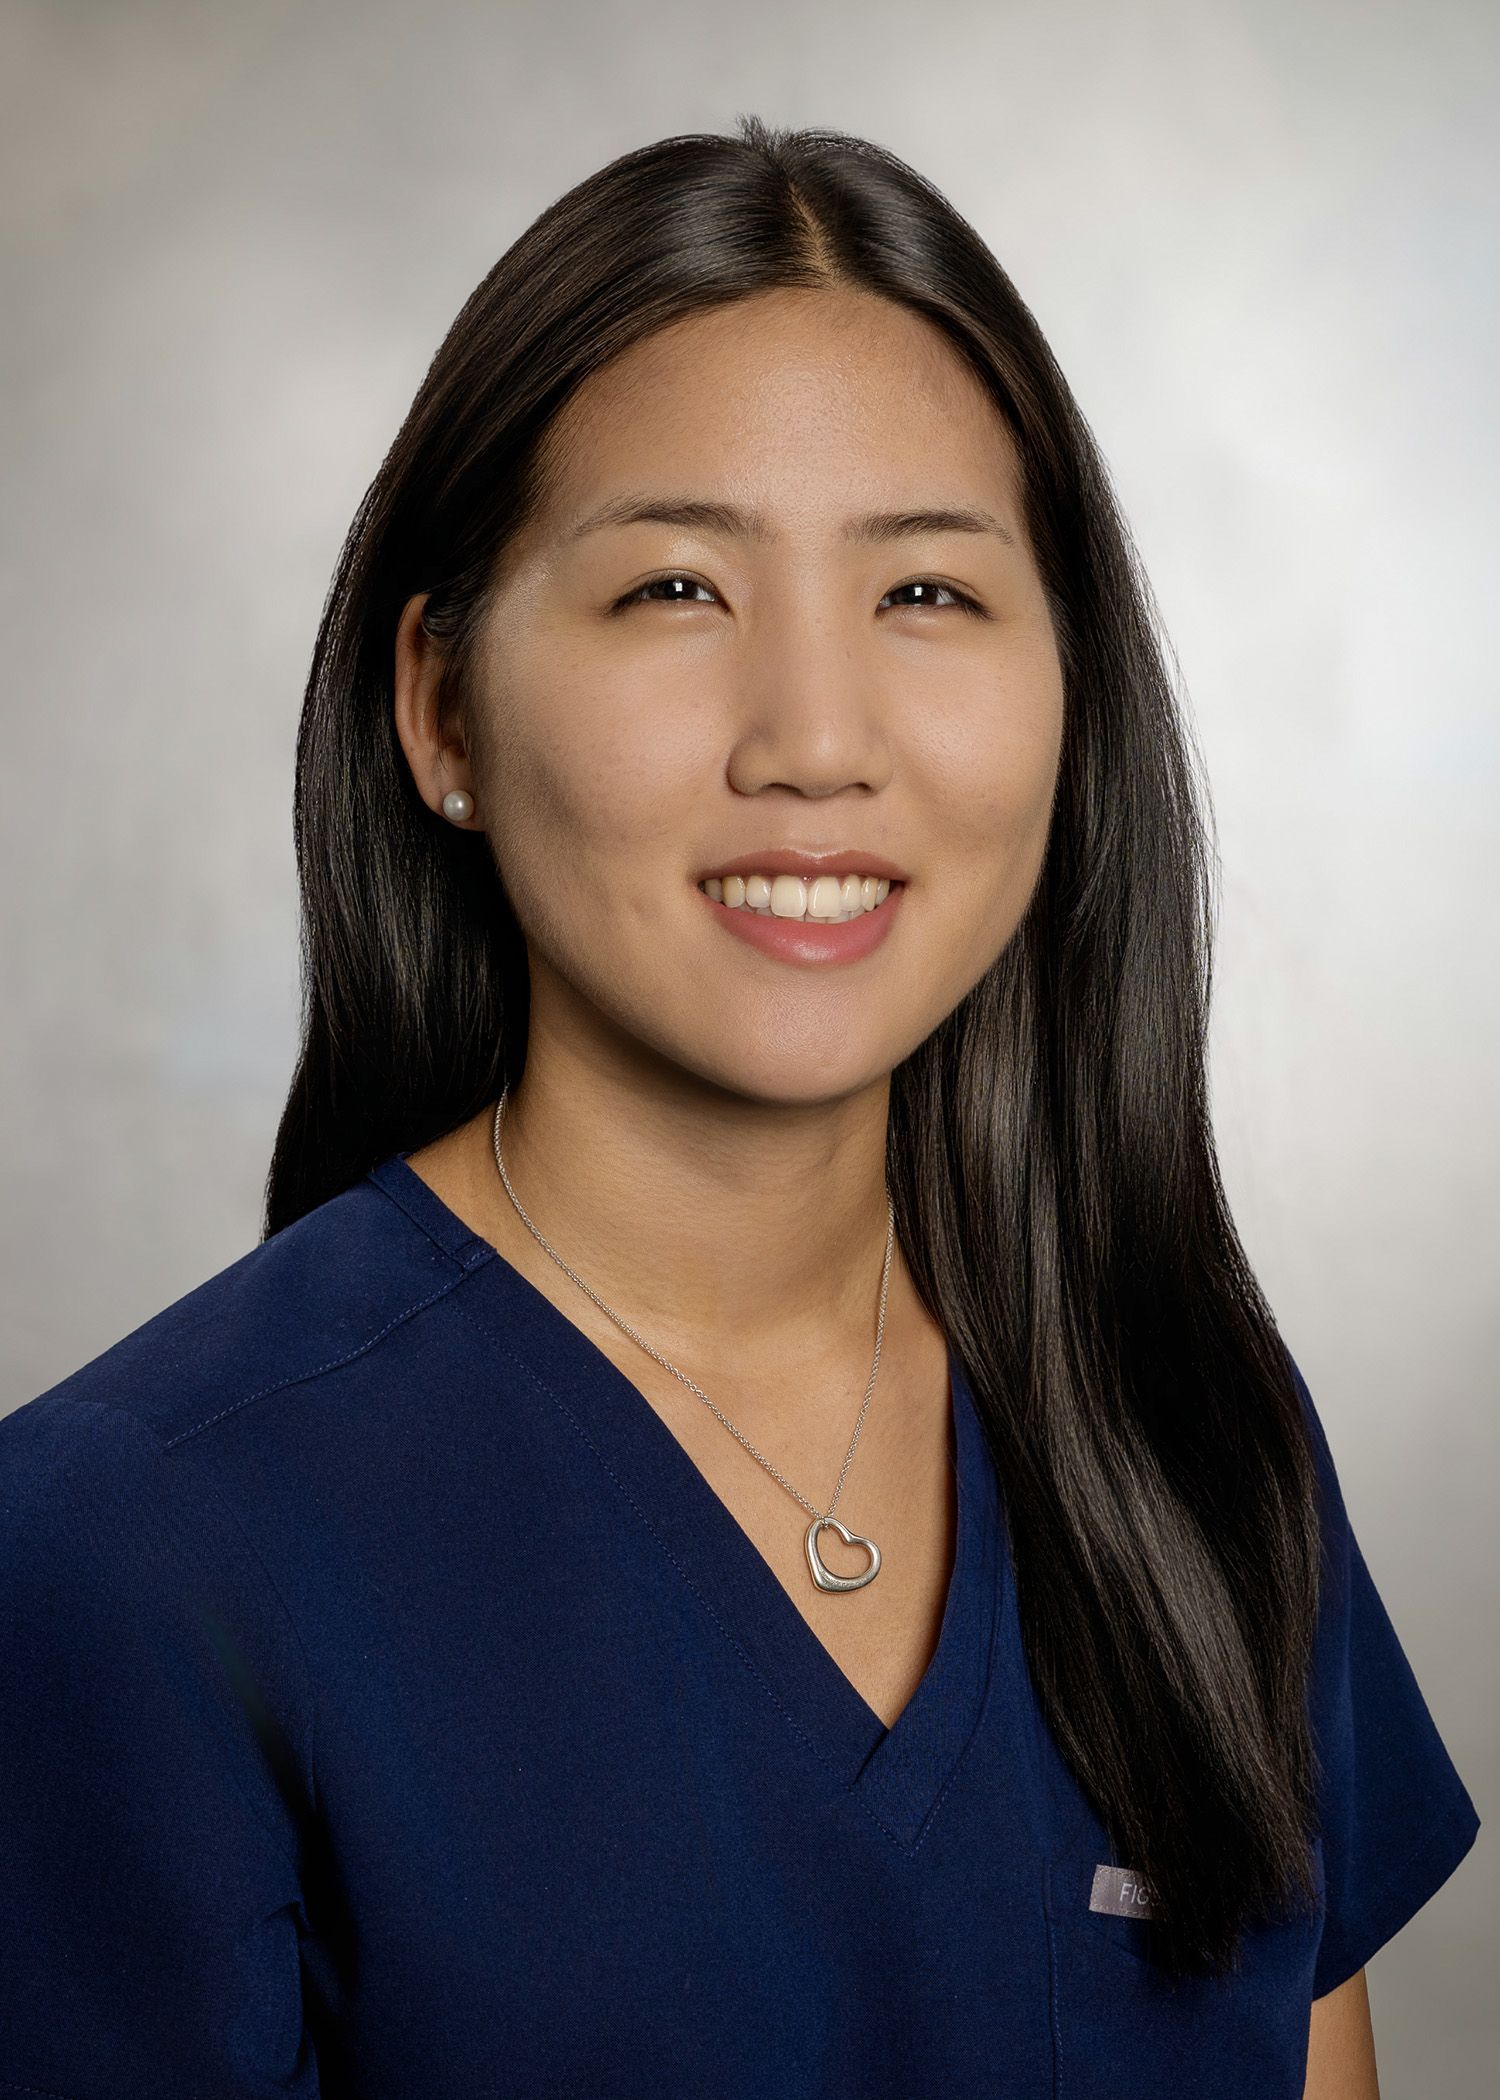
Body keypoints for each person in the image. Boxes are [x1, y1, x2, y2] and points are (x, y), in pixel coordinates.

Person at [0, 118, 1479, 2100]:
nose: (814, 740)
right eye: (680, 586)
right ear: (442, 709)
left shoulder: (1188, 1434)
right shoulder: (127, 1547)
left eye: (931, 595)